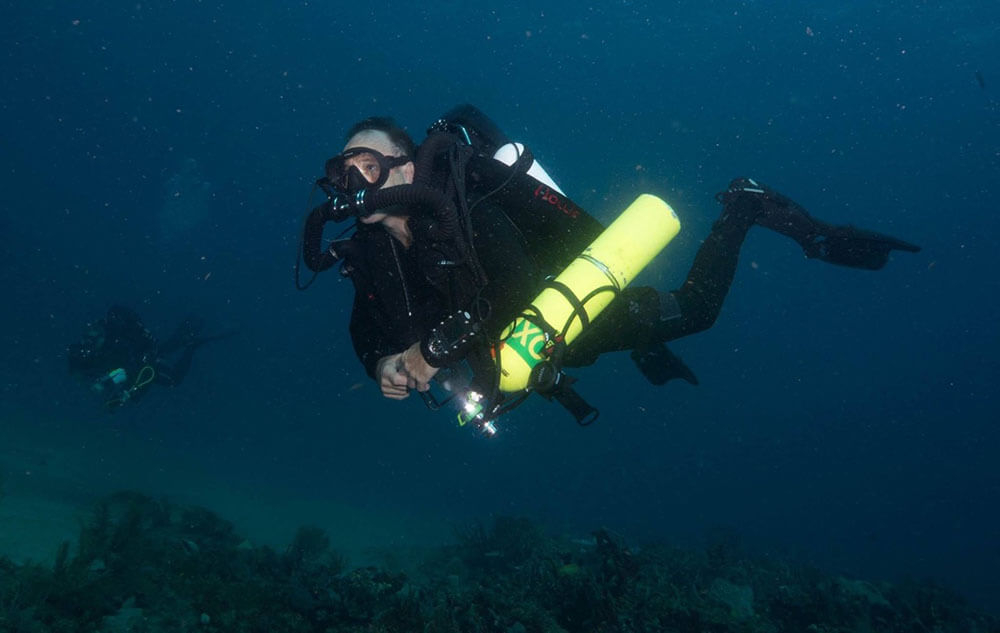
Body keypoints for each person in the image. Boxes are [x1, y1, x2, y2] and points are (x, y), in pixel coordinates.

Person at [300, 105, 920, 426]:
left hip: (580, 306)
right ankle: (645, 344)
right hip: (533, 346)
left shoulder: (468, 204)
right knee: (612, 344)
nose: (352, 185)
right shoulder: (374, 247)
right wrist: (381, 363)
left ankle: (743, 208)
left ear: (408, 167)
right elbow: (367, 323)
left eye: (367, 166)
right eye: (342, 171)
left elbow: (515, 289)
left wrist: (432, 352)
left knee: (696, 311)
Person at [67, 305, 228, 410]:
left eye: (94, 339)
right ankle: (186, 335)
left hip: (141, 361)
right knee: (160, 351)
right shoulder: (93, 350)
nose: (89, 343)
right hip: (139, 358)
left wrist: (120, 390)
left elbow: (132, 371)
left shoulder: (117, 345)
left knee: (173, 379)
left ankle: (191, 345)